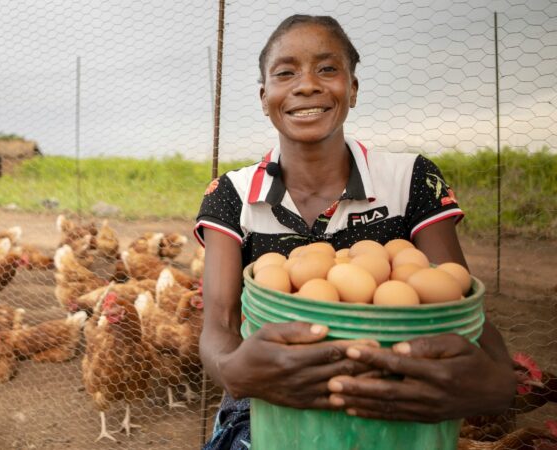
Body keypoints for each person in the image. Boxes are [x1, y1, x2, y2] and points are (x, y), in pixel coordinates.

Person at [194, 14, 516, 449]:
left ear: (354, 89)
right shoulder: (231, 194)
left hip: (393, 393)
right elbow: (220, 323)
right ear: (264, 96)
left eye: (327, 69)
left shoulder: (409, 179)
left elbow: (452, 299)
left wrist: (496, 378)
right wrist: (233, 371)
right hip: (274, 398)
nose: (306, 85)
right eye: (285, 72)